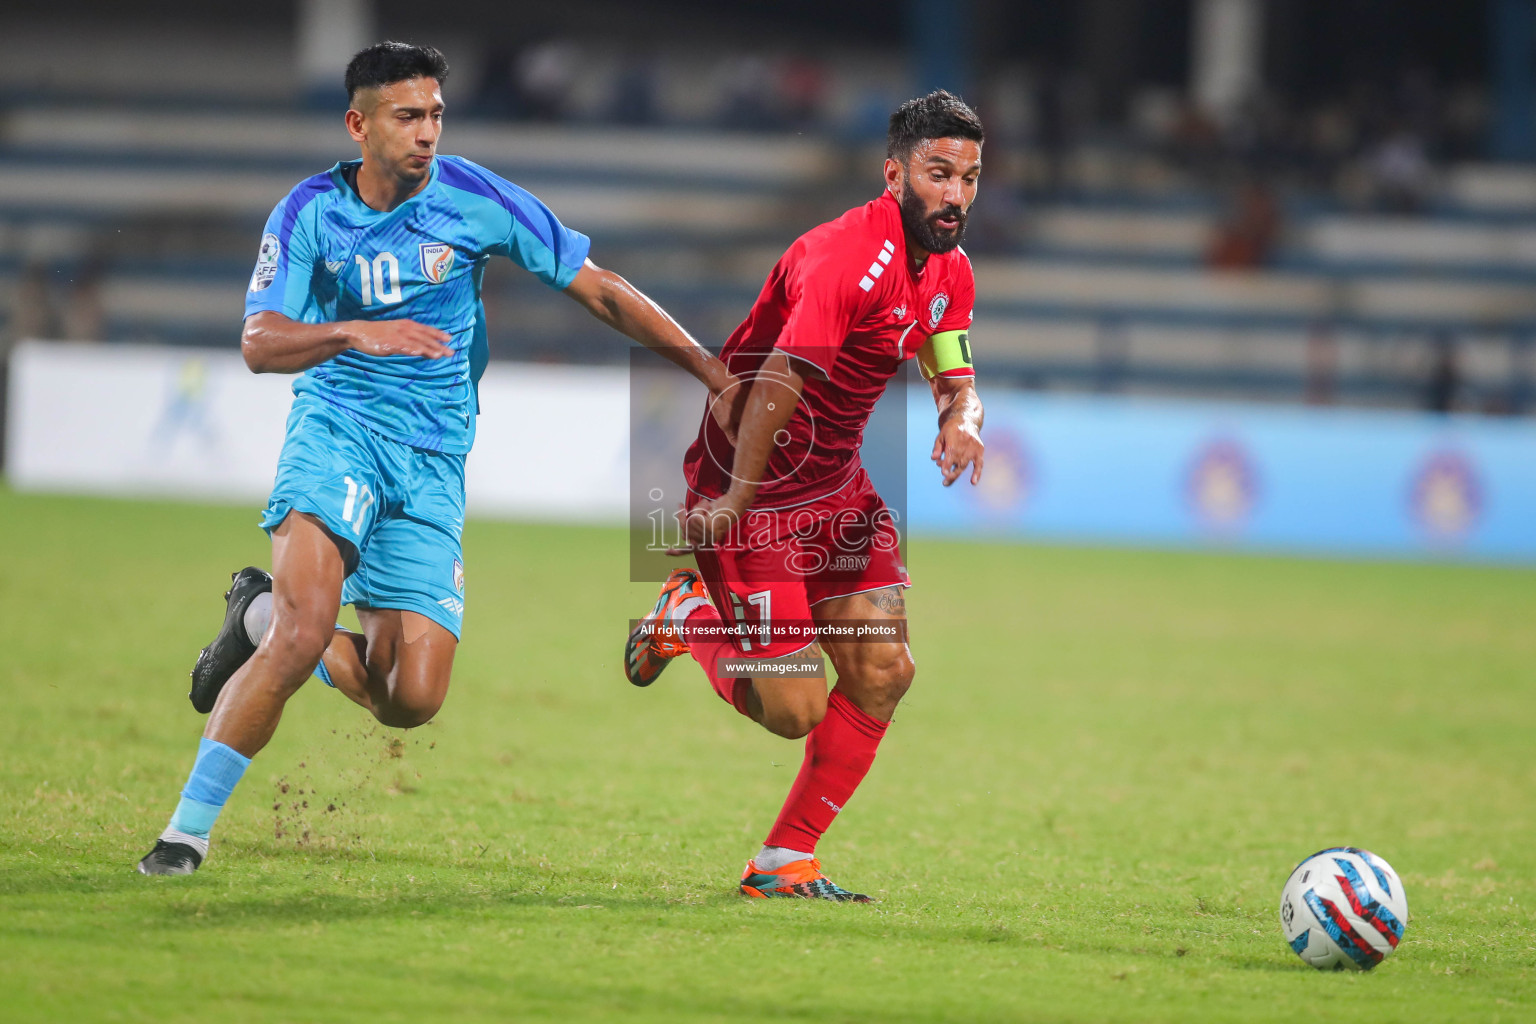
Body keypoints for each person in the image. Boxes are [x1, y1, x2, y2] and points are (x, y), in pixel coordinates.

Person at [137, 42, 737, 875]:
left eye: (435, 115)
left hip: (433, 458)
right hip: (338, 430)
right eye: (407, 116)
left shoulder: (477, 198)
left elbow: (596, 284)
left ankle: (257, 614)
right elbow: (259, 343)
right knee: (309, 633)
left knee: (409, 698)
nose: (427, 133)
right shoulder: (309, 212)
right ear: (359, 124)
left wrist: (708, 368)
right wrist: (353, 330)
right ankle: (184, 836)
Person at [624, 91, 986, 901]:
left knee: (886, 670)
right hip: (751, 493)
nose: (956, 194)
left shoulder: (950, 270)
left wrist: (963, 417)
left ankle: (783, 861)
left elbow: (952, 361)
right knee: (793, 708)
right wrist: (733, 502)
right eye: (939, 173)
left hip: (836, 487)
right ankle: (687, 615)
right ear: (895, 174)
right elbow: (778, 382)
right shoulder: (841, 258)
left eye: (969, 177)